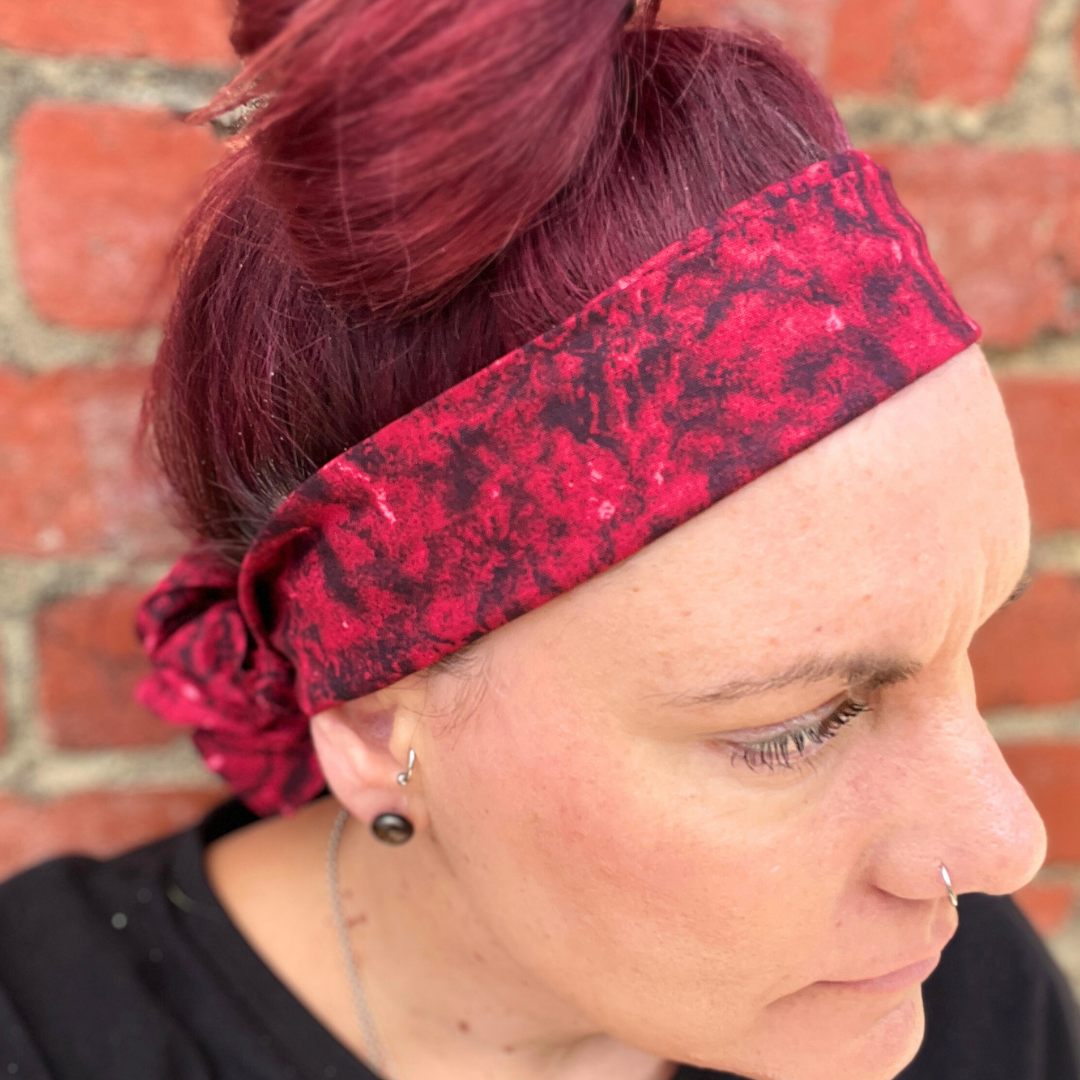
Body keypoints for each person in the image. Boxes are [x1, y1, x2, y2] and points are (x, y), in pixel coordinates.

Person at [1, 1, 1078, 1078]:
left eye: (968, 639)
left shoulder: (973, 1001)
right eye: (797, 728)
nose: (1000, 848)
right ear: (376, 728)